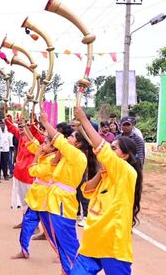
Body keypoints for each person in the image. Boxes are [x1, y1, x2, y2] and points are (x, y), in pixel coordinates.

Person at [72, 106, 143, 275]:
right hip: (92, 242)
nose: (109, 150)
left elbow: (101, 148)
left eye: (114, 148)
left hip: (113, 244)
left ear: (125, 156)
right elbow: (86, 191)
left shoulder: (126, 171)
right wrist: (100, 175)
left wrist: (84, 120)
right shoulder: (109, 174)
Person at [39, 110, 96, 274]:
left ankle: (75, 270)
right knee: (61, 242)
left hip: (63, 201)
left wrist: (46, 123)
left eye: (71, 137)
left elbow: (59, 141)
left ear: (77, 144)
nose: (68, 138)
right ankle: (67, 270)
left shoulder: (76, 155)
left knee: (68, 242)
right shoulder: (69, 154)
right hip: (57, 199)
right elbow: (57, 149)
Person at [11, 135, 60, 260]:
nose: (43, 145)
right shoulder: (46, 155)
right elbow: (33, 143)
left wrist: (37, 156)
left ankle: (61, 254)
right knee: (27, 222)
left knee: (51, 229)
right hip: (36, 196)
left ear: (53, 147)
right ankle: (24, 250)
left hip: (46, 198)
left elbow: (33, 171)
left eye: (46, 143)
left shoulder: (52, 159)